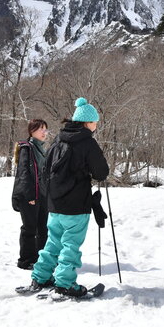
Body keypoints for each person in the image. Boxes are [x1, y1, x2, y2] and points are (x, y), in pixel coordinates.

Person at [27, 98, 109, 298]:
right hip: (76, 205)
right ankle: (64, 284)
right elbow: (101, 172)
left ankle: (41, 277)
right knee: (70, 244)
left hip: (54, 204)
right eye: (95, 122)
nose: (96, 125)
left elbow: (46, 169)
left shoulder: (58, 139)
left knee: (53, 242)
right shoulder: (87, 142)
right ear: (87, 122)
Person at [11, 118, 50, 270]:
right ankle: (26, 260)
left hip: (42, 195)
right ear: (32, 131)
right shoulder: (27, 148)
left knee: (43, 228)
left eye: (45, 129)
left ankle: (41, 258)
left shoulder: (42, 149)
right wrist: (30, 196)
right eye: (41, 129)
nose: (44, 132)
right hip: (29, 196)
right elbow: (24, 173)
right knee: (29, 228)